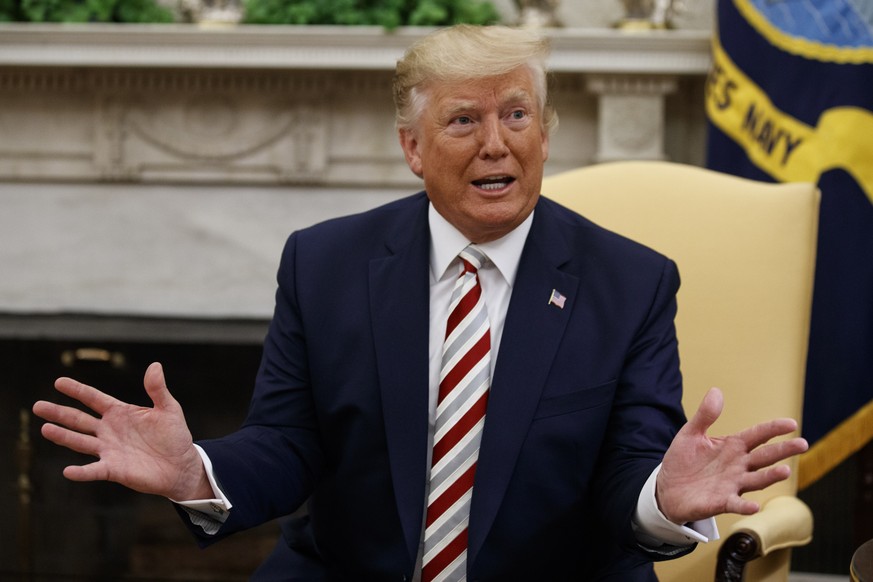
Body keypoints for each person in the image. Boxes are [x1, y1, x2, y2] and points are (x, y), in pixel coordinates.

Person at [32, 24, 808, 581]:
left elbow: (627, 471)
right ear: (412, 147)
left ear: (545, 132)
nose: (495, 143)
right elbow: (290, 441)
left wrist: (661, 498)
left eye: (516, 114)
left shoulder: (629, 281)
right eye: (462, 120)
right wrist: (195, 471)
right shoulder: (325, 262)